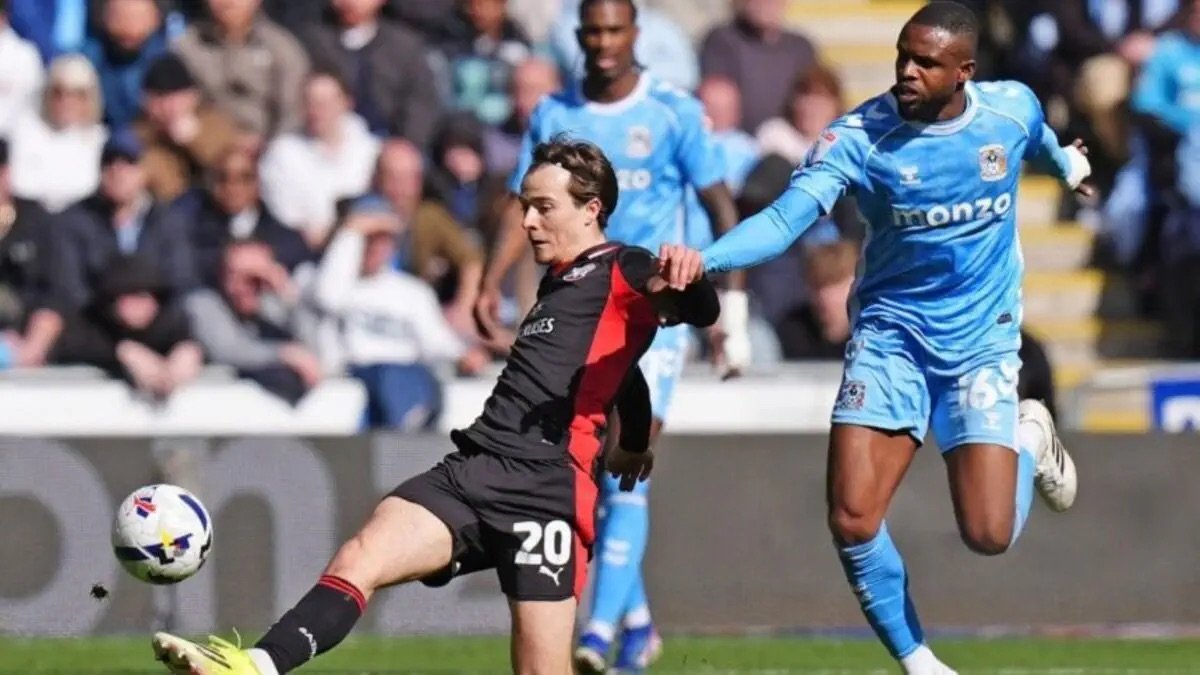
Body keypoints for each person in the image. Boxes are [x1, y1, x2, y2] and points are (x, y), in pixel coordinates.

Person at [150, 136, 720, 675]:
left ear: (590, 208)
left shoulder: (625, 266)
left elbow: (699, 309)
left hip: (546, 492)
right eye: (525, 206)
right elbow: (624, 371)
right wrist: (637, 437)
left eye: (543, 206)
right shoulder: (559, 285)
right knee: (361, 555)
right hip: (473, 469)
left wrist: (690, 277)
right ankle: (256, 665)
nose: (526, 221)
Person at [657, 3, 1084, 673]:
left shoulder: (1009, 111)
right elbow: (784, 221)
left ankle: (1030, 437)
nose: (907, 72)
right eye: (901, 56)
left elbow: (1044, 144)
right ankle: (920, 662)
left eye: (926, 63)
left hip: (981, 342)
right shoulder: (858, 136)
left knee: (989, 533)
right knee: (853, 517)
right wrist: (703, 257)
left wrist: (1069, 170)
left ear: (964, 72)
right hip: (891, 338)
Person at [472, 1, 741, 670]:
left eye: (614, 30)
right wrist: (487, 281)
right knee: (592, 467)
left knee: (630, 469)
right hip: (580, 319)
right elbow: (524, 205)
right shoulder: (555, 114)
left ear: (635, 34)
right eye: (592, 31)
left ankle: (596, 637)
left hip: (654, 316)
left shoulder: (673, 112)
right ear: (579, 36)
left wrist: (728, 309)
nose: (603, 43)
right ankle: (638, 622)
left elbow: (717, 203)